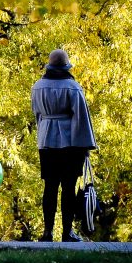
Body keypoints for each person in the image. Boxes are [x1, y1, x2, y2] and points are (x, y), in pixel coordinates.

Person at [31, 49, 96, 242]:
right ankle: (67, 232)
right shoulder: (73, 87)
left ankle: (47, 231)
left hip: (46, 140)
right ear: (66, 66)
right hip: (70, 142)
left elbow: (37, 115)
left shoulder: (38, 86)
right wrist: (85, 146)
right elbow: (81, 119)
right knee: (69, 187)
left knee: (49, 187)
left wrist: (43, 132)